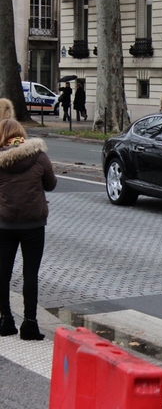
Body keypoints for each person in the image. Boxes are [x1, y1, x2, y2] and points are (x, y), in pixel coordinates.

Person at [0, 119, 57, 340]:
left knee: (3, 273)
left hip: (4, 224)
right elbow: (51, 184)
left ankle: (5, 320)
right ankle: (30, 324)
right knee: (30, 273)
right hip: (33, 224)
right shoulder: (39, 156)